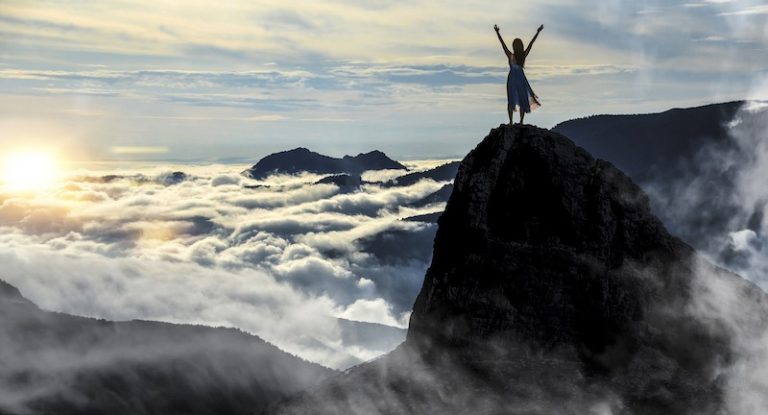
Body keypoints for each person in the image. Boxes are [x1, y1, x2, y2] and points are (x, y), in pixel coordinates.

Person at [494, 24, 543, 125]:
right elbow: (531, 44)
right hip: (519, 79)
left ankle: (512, 121)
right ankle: (519, 121)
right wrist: (537, 32)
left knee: (513, 100)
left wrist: (497, 32)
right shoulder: (521, 56)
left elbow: (503, 45)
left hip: (513, 79)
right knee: (520, 99)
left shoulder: (512, 56)